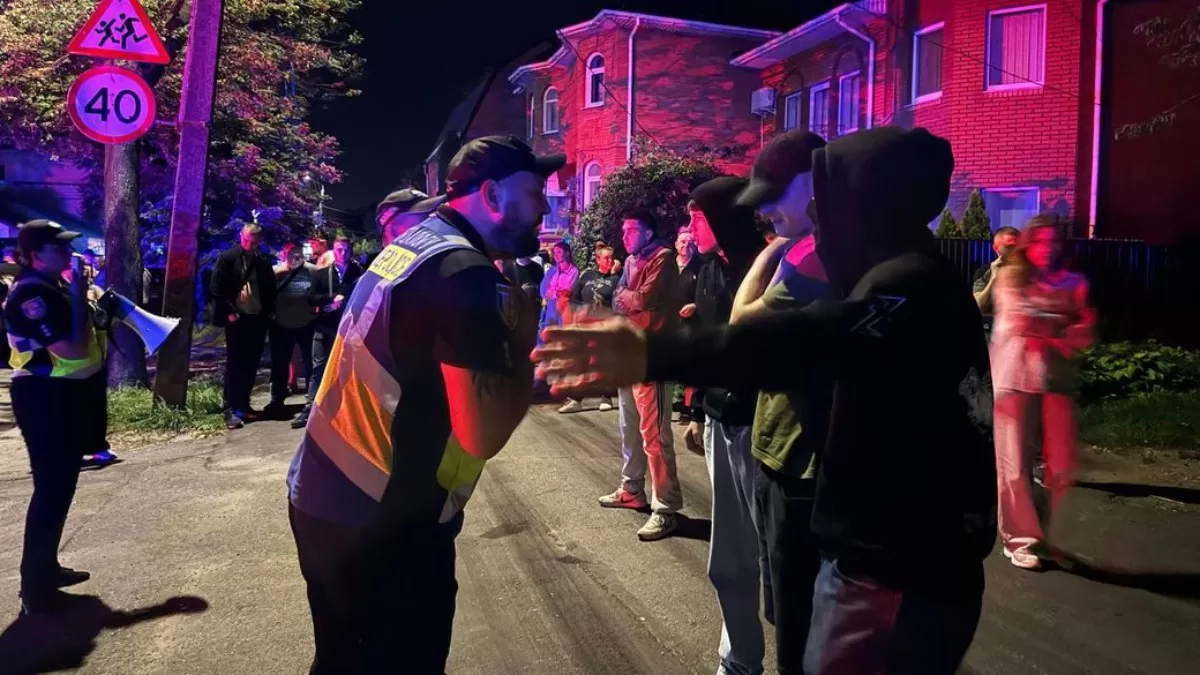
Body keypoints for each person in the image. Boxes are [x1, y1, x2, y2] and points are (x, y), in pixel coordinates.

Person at [536, 127, 997, 674]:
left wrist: (647, 354)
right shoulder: (912, 278)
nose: (818, 228)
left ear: (865, 210)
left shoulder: (906, 285)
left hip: (896, 573)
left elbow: (795, 338)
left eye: (828, 210)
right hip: (900, 563)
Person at [286, 134, 558, 673]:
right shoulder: (465, 276)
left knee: (341, 660)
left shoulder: (418, 244)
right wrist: (528, 350)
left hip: (327, 496)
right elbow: (481, 433)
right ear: (493, 195)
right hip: (385, 526)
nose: (545, 206)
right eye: (535, 191)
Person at [726, 130, 833, 674]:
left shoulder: (816, 256)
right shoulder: (815, 249)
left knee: (798, 622)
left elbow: (742, 321)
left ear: (814, 182)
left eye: (773, 197)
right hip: (786, 451)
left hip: (802, 462)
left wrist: (770, 252)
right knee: (791, 610)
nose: (765, 213)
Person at [679, 176, 773, 675]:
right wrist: (696, 410)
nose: (690, 227)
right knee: (728, 561)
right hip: (721, 423)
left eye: (697, 216)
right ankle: (738, 662)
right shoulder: (709, 270)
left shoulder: (772, 265)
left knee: (779, 561)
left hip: (764, 433)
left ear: (724, 216)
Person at [4, 220, 105, 615]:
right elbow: (74, 348)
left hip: (65, 395)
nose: (67, 253)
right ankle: (34, 586)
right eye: (56, 248)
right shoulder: (31, 294)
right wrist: (80, 295)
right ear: (33, 256)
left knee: (61, 489)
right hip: (43, 398)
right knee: (50, 491)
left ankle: (46, 569)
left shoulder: (52, 288)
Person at [991, 215, 1095, 570]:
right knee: (1014, 466)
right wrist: (1062, 319)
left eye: (1053, 242)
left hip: (1053, 382)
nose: (1047, 249)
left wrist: (1067, 322)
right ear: (1027, 245)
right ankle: (1019, 540)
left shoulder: (1070, 282)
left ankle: (1043, 534)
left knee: (1058, 467)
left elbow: (1084, 328)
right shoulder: (1011, 277)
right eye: (1040, 241)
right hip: (1013, 380)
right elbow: (1024, 320)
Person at [598, 209, 683, 541]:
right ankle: (632, 489)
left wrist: (630, 298)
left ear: (648, 232)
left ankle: (665, 507)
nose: (625, 236)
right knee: (629, 426)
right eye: (624, 230)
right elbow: (620, 299)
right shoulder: (633, 260)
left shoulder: (663, 258)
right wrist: (631, 299)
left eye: (631, 230)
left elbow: (641, 298)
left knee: (655, 436)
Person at [210, 223, 277, 429]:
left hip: (256, 319)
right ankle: (230, 408)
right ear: (241, 236)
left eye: (254, 241)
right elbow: (216, 289)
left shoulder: (262, 262)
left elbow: (269, 288)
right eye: (247, 240)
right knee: (235, 365)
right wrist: (230, 312)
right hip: (237, 319)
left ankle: (243, 405)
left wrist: (268, 312)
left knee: (250, 365)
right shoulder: (228, 258)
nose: (250, 244)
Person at [293, 235, 364, 429]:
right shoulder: (322, 274)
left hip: (350, 329)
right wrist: (331, 299)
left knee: (350, 371)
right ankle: (310, 409)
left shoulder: (359, 273)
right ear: (334, 250)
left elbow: (365, 295)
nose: (343, 253)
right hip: (326, 328)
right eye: (340, 250)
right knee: (319, 368)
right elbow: (311, 298)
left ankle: (348, 411)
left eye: (347, 250)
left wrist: (345, 299)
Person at [557, 242, 620, 414]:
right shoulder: (587, 275)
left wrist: (616, 273)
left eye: (612, 258)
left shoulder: (616, 279)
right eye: (606, 258)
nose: (610, 260)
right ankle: (576, 399)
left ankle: (606, 396)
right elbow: (574, 297)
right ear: (598, 260)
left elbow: (619, 301)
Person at [265, 242, 318, 419]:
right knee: (279, 364)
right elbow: (262, 287)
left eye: (298, 253)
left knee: (310, 363)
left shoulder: (312, 270)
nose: (295, 257)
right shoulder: (276, 271)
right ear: (284, 255)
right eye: (291, 254)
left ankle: (313, 400)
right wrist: (278, 272)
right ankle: (277, 399)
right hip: (281, 324)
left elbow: (320, 290)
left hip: (306, 323)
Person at [973, 226, 1020, 334]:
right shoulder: (985, 272)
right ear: (996, 248)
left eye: (1018, 247)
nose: (1014, 251)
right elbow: (978, 307)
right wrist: (993, 279)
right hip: (992, 332)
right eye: (1009, 247)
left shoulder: (1027, 272)